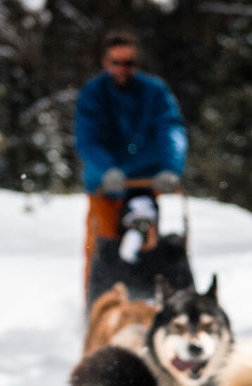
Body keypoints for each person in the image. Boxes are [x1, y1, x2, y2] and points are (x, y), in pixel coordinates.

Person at [76, 31, 187, 293]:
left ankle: (145, 300)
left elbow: (171, 130)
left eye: (129, 63)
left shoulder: (154, 91)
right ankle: (97, 310)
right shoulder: (93, 94)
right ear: (106, 62)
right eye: (117, 63)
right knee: (101, 250)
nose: (122, 69)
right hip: (105, 187)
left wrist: (171, 168)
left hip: (145, 183)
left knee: (150, 244)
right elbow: (87, 140)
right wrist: (107, 169)